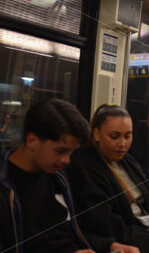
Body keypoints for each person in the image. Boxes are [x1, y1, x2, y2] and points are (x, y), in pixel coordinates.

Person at [67, 105, 149, 253]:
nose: (122, 144)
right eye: (114, 136)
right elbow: (104, 222)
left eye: (127, 136)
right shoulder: (85, 167)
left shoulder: (128, 162)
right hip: (130, 240)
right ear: (96, 134)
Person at [0, 99, 95, 253]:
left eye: (72, 152)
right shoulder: (5, 189)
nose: (67, 160)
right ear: (32, 141)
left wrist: (108, 246)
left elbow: (66, 234)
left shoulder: (59, 179)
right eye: (60, 151)